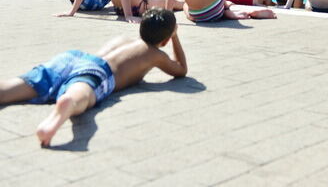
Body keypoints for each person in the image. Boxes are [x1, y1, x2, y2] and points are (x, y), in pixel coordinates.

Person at [0, 8, 187, 147]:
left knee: (15, 87)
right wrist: (175, 36)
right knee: (81, 94)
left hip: (73, 59)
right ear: (166, 40)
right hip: (99, 72)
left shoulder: (123, 39)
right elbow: (181, 70)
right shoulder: (155, 54)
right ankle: (66, 106)